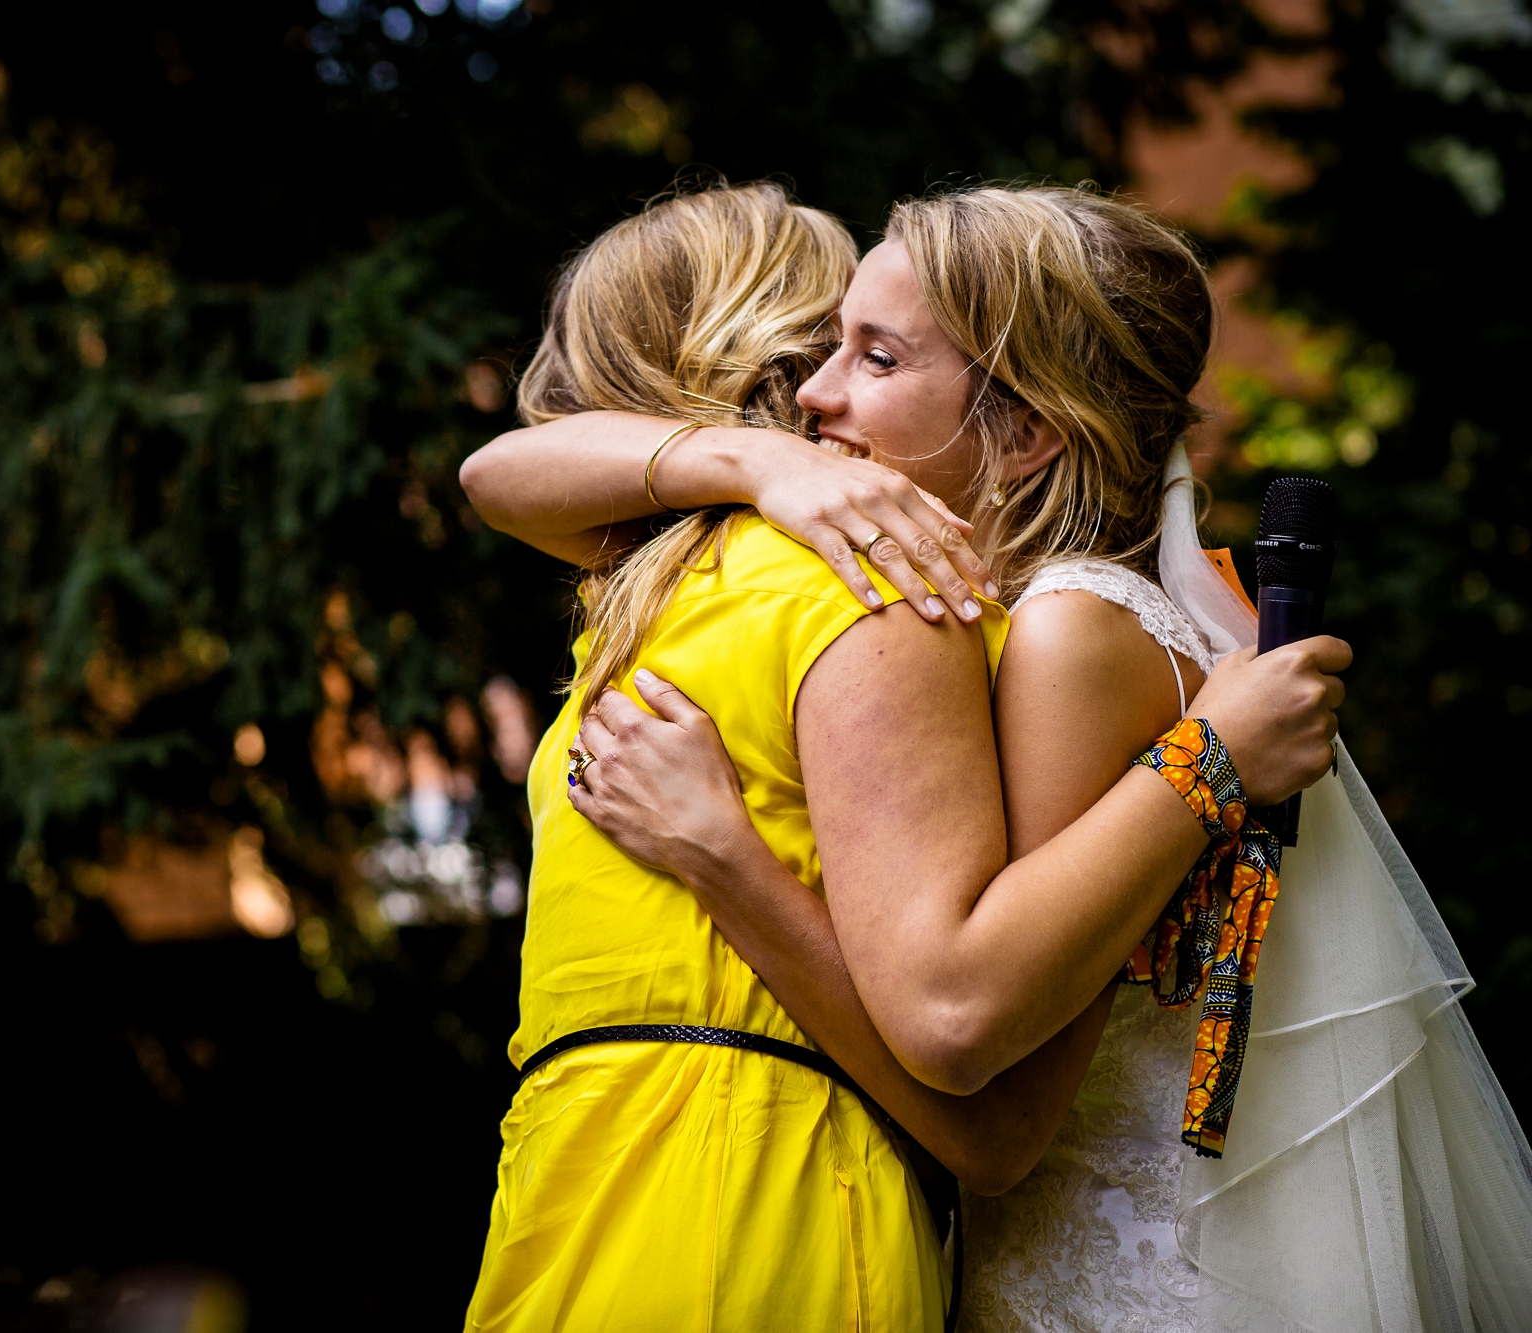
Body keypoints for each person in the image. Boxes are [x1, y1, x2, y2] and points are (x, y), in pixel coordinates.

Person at [473, 182, 1532, 1332]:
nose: (813, 401)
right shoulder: (1029, 613)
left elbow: (960, 1029)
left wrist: (726, 856)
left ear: (1026, 432)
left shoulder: (1067, 622)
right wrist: (756, 465)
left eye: (874, 359)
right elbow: (500, 477)